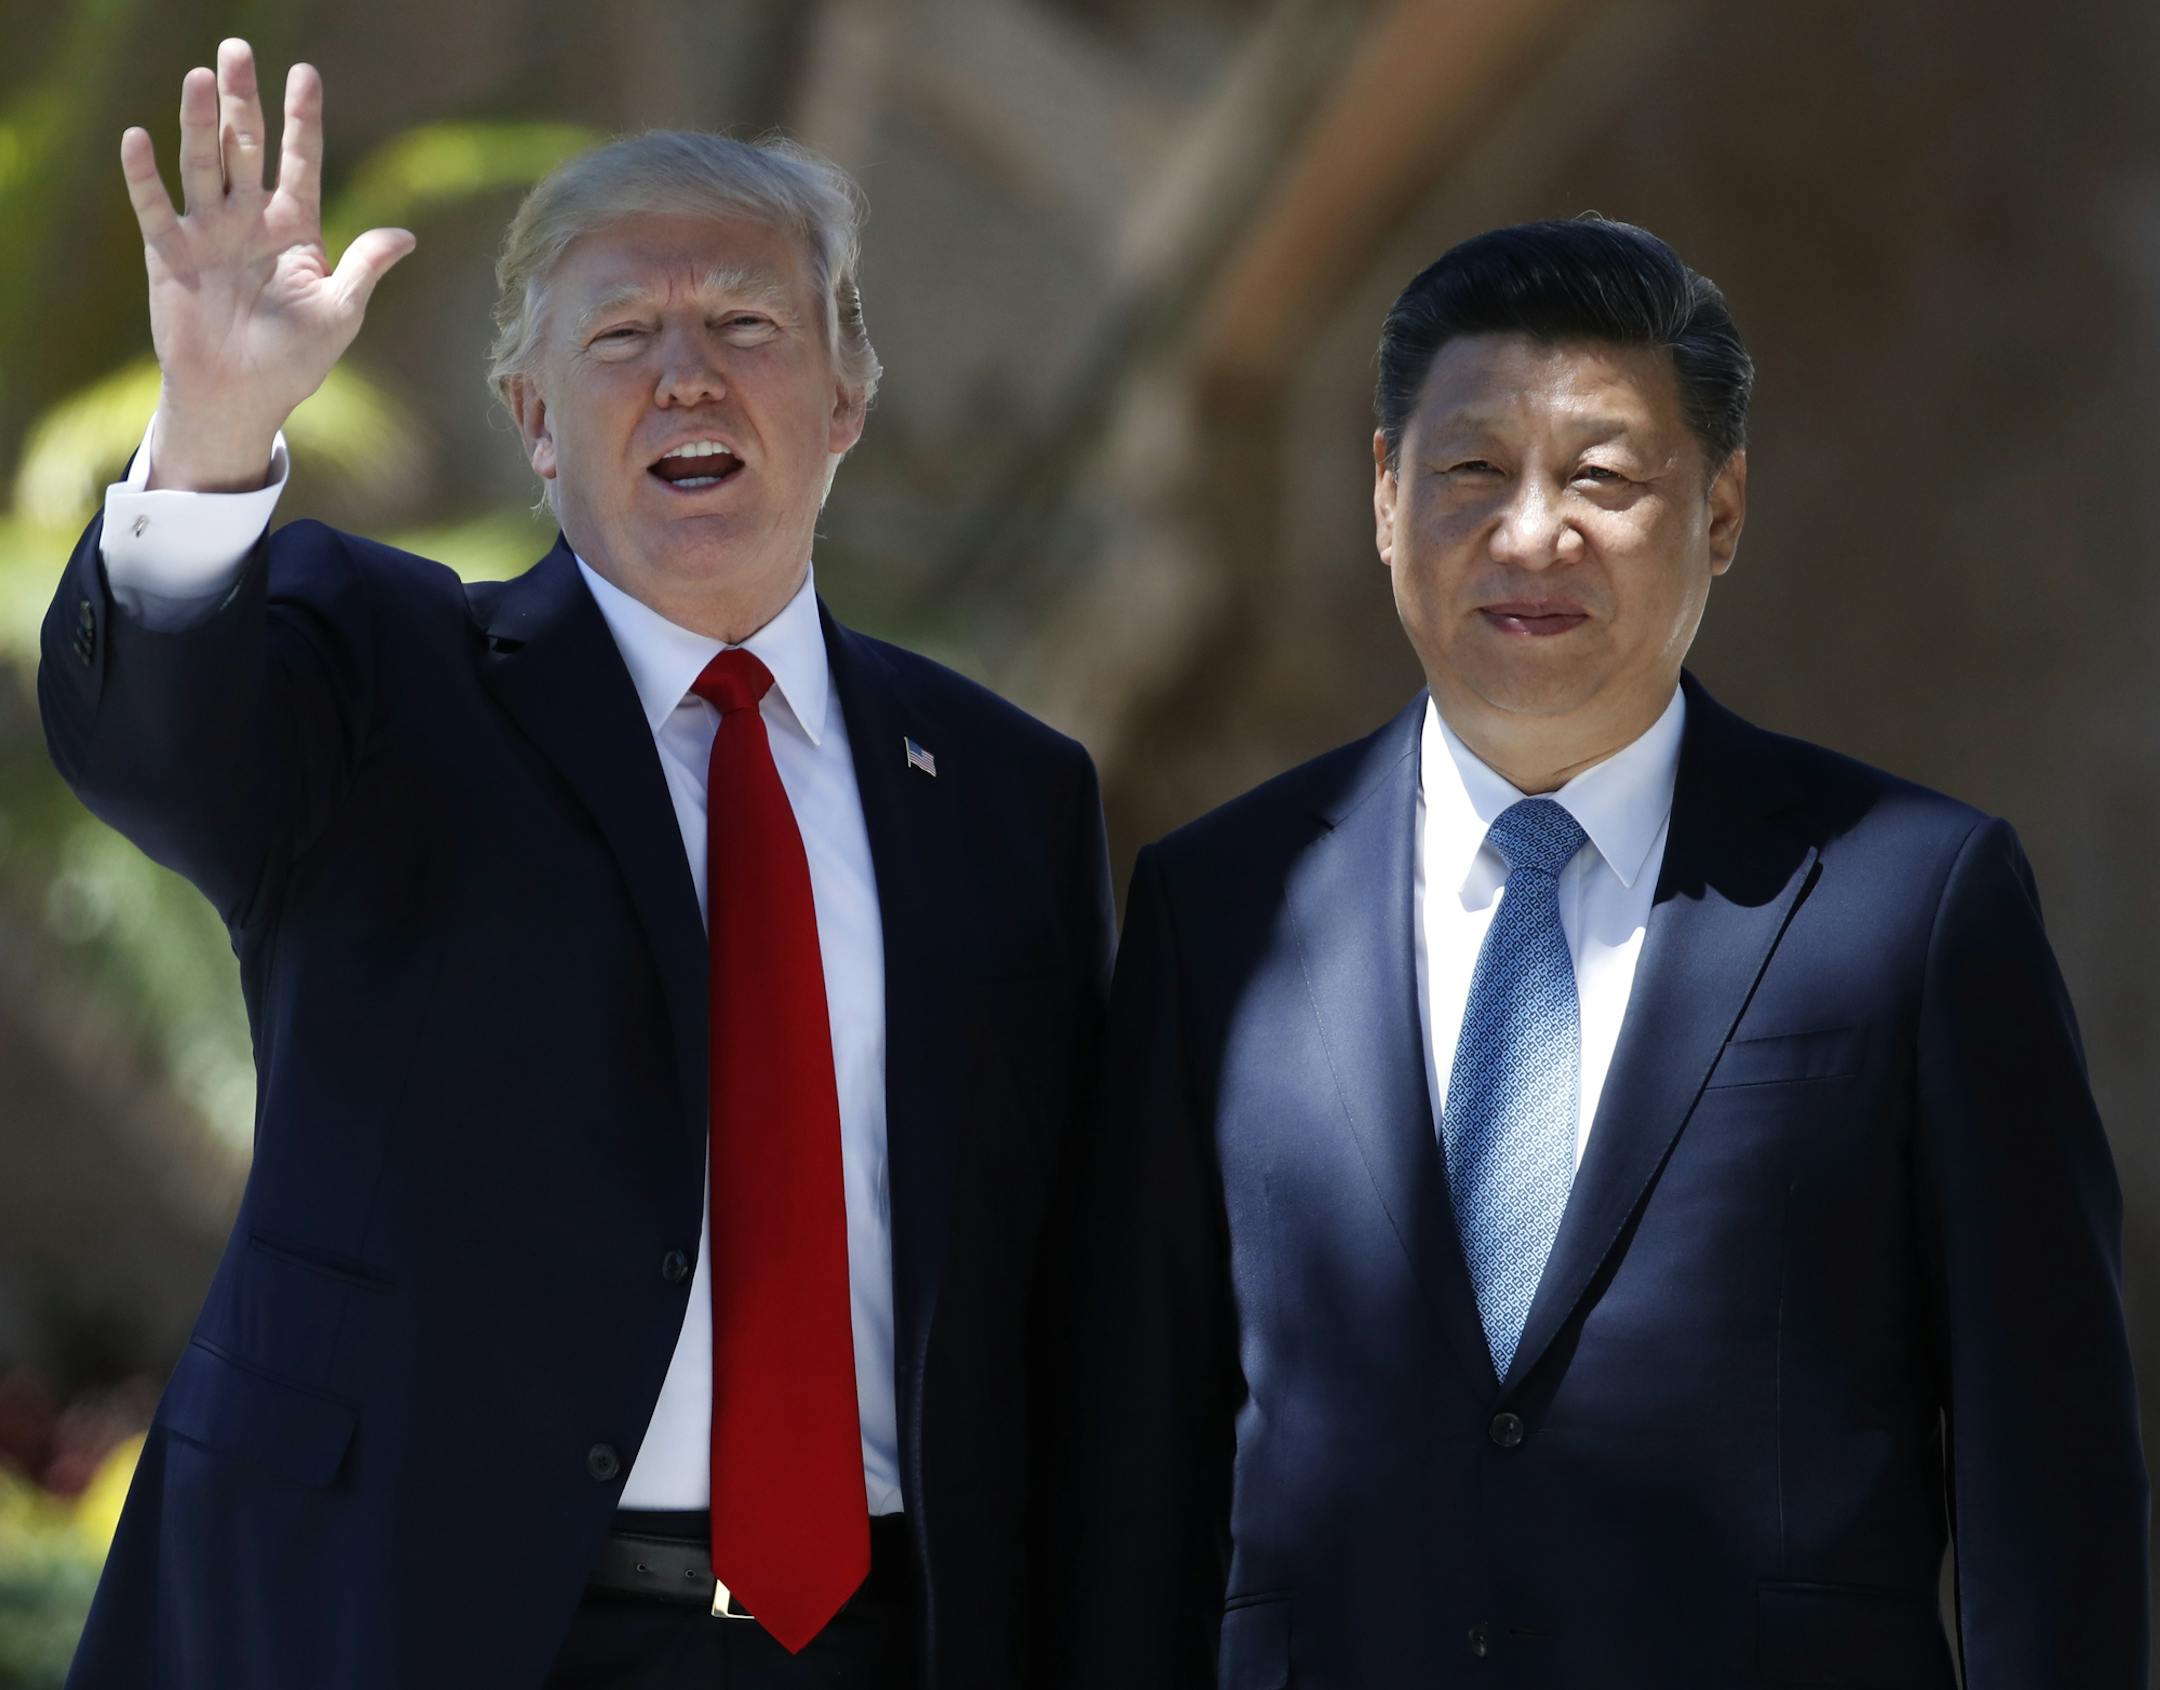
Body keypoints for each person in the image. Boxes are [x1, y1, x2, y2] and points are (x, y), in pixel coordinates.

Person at [41, 39, 1112, 1690]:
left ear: (846, 398)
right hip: (432, 1623)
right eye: (621, 337)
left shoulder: (1006, 792)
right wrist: (213, 426)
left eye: (745, 325)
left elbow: (1057, 1272)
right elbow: (156, 736)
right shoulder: (389, 677)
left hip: (874, 1636)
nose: (686, 376)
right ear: (534, 421)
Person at [1044, 215, 2147, 1687]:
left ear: (1723, 510)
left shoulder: (1914, 899)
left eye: (1604, 479)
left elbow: (2051, 1487)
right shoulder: (1219, 907)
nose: (1531, 535)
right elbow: (1137, 1476)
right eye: (1470, 470)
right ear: (1384, 498)